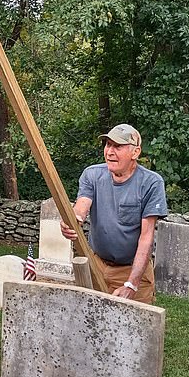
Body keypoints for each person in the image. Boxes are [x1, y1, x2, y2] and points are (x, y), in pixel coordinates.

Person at [60, 123, 167, 304]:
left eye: (117, 146)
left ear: (135, 152)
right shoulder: (92, 175)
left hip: (132, 270)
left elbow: (146, 237)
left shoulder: (151, 183)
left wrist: (132, 284)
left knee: (134, 327)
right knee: (91, 323)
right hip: (96, 265)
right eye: (108, 145)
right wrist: (72, 221)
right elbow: (81, 207)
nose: (109, 151)